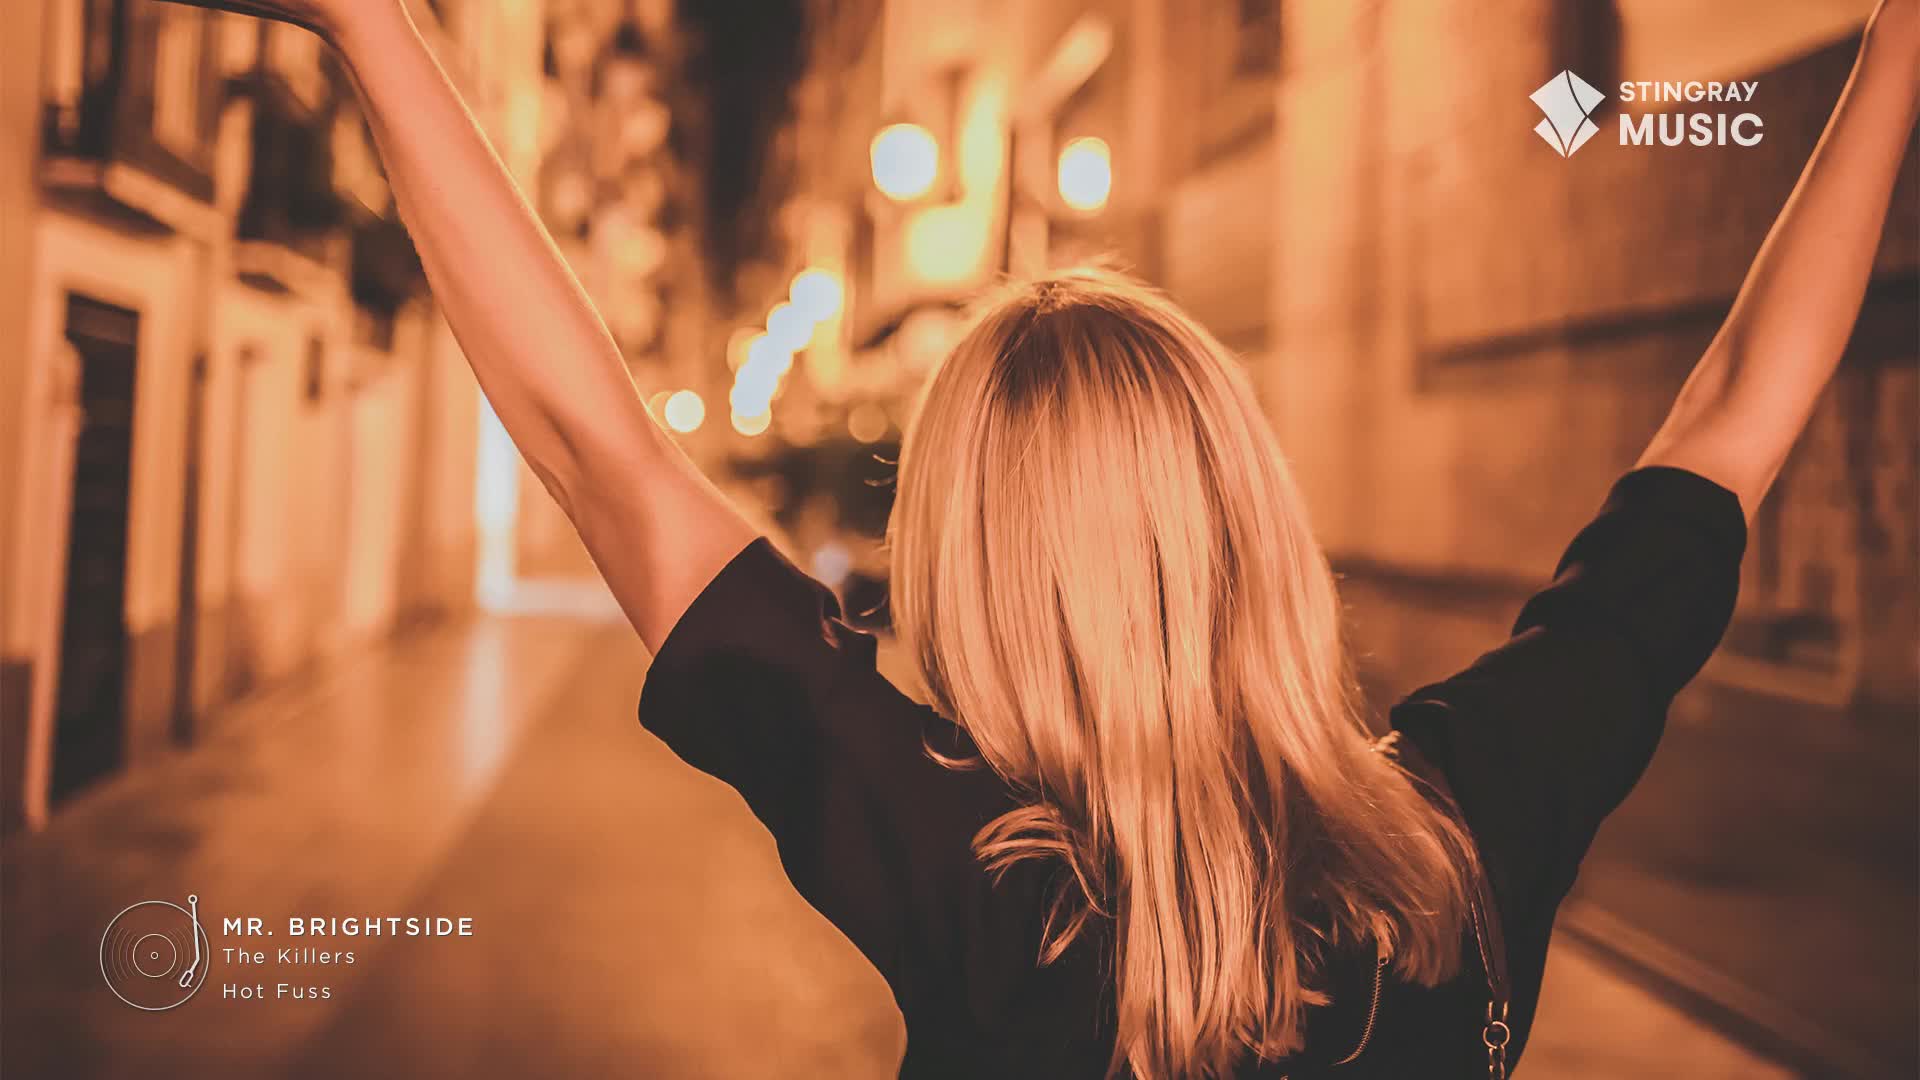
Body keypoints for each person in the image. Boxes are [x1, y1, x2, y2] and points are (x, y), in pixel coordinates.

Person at [158, 1, 1920, 1075]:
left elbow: (598, 453)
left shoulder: (983, 885)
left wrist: (370, 27)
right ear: (1246, 514)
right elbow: (1739, 417)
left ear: (979, 581)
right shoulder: (1469, 826)